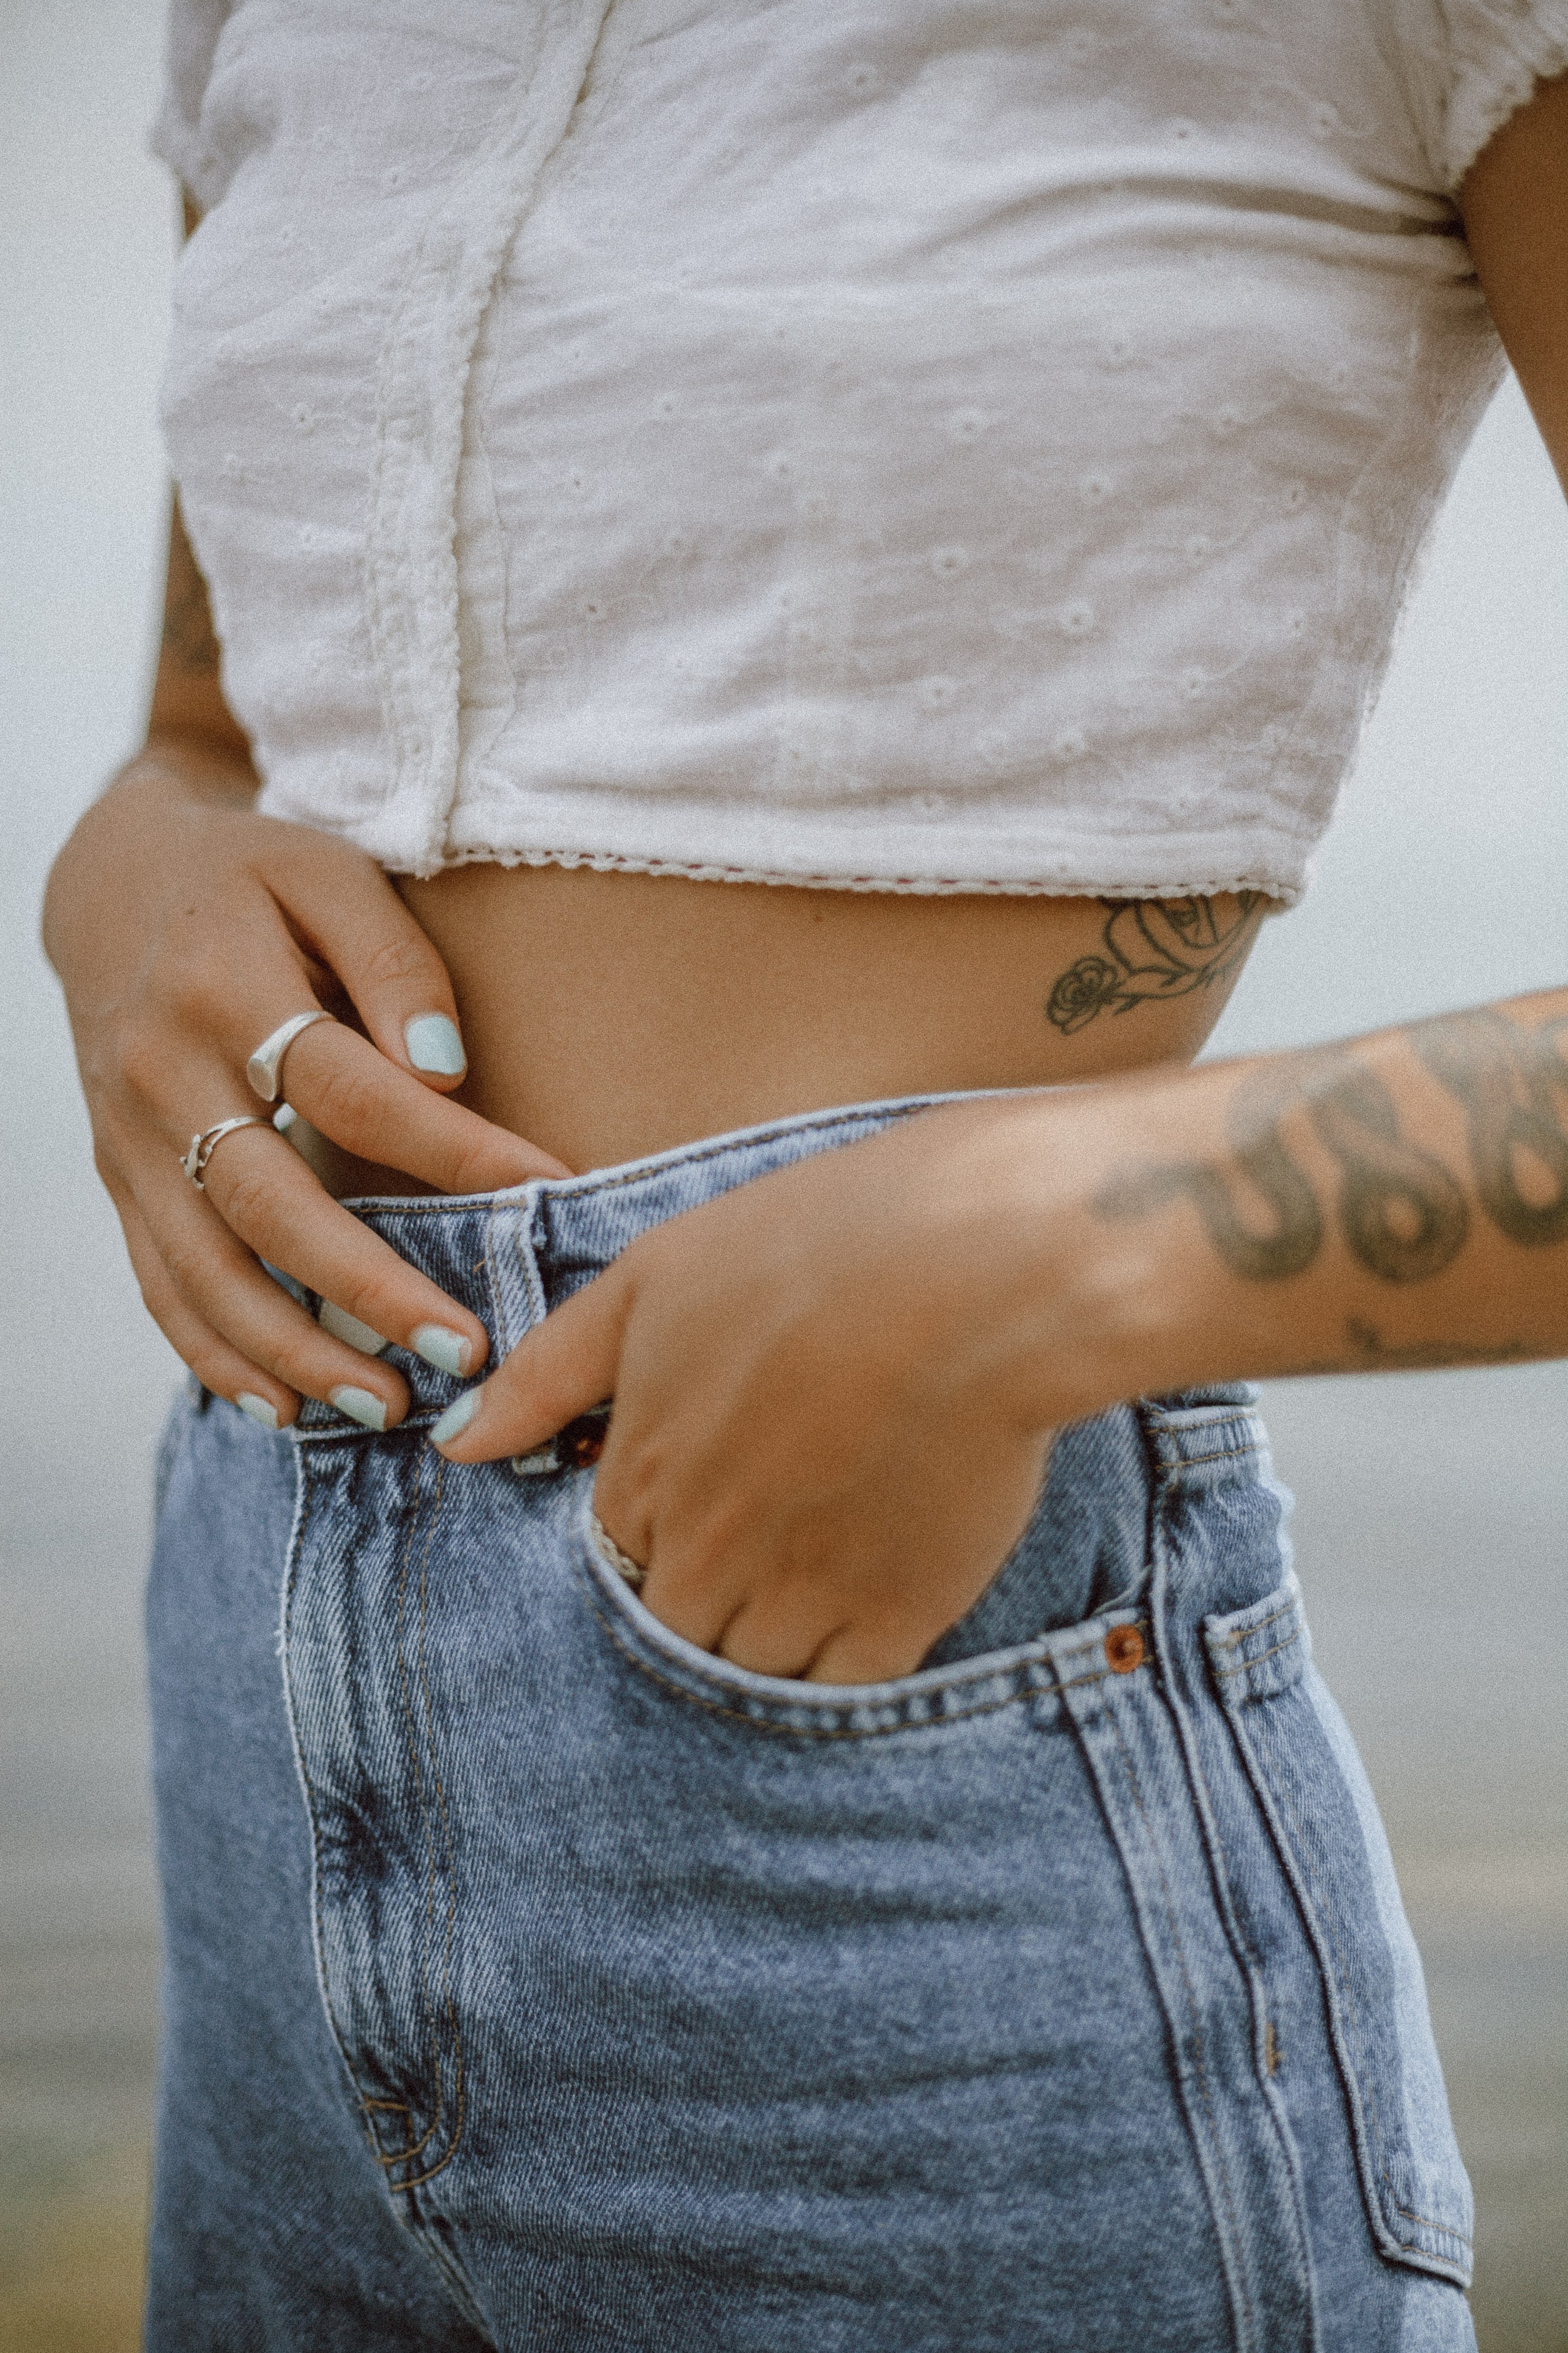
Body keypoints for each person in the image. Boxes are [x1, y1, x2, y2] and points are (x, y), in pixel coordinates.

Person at [42, 1, 1568, 2344]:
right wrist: (123, 865)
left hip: (897, 1790)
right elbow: (219, 724)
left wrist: (1039, 1257)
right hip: (260, 1696)